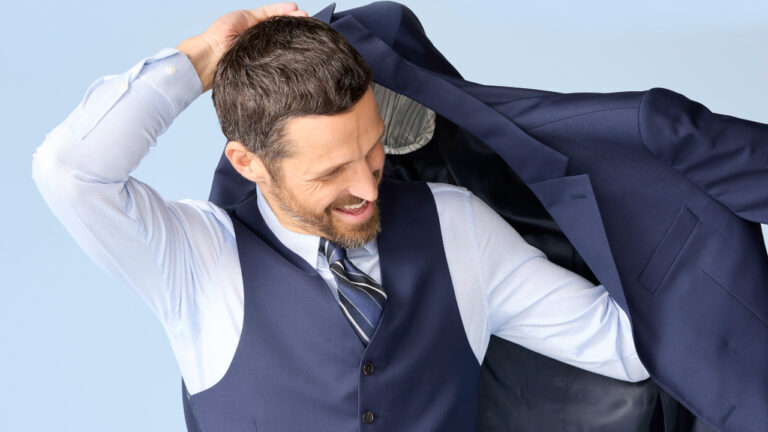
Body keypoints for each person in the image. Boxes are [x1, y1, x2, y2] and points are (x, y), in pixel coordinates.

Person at [32, 2, 650, 431]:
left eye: (372, 148)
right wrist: (207, 54)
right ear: (247, 162)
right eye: (329, 171)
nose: (365, 185)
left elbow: (624, 345)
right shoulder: (197, 261)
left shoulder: (455, 225)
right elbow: (70, 169)